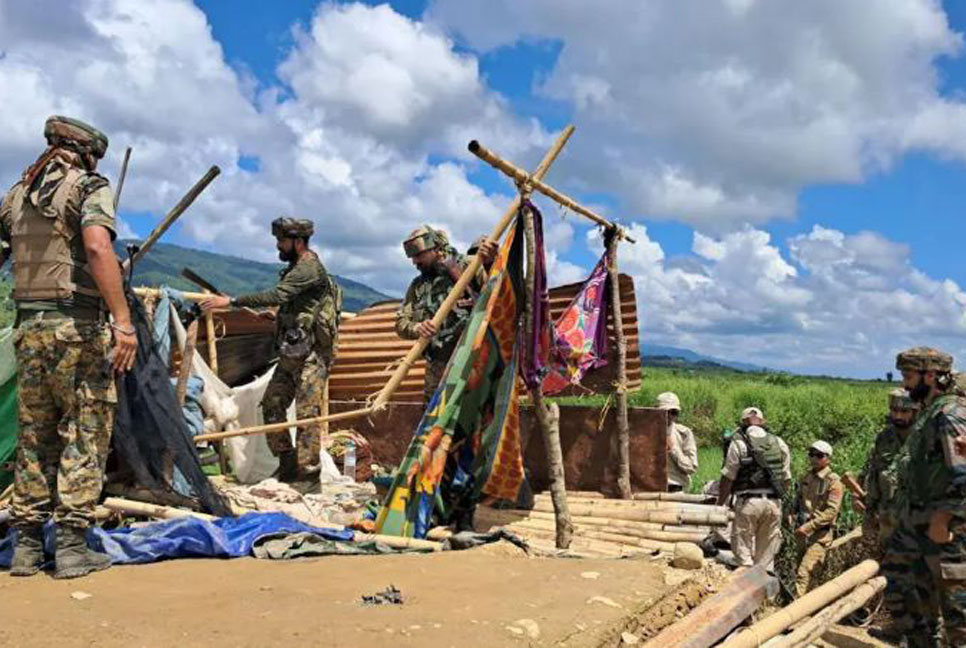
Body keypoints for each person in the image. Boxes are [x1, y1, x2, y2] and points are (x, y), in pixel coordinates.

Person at [1, 115, 137, 579]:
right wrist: (123, 323)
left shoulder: (17, 195)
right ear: (88, 153)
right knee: (84, 432)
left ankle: (25, 551)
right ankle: (73, 550)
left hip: (28, 330)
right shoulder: (88, 187)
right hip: (76, 332)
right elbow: (98, 249)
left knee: (34, 439)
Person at [201, 218, 340, 484]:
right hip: (292, 353)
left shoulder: (309, 268)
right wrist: (276, 318)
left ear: (298, 242)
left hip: (312, 355)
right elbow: (297, 308)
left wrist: (230, 301)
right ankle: (287, 466)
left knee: (307, 413)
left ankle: (308, 476)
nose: (278, 245)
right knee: (272, 405)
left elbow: (279, 295)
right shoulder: (294, 269)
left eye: (282, 240)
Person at [879, 347, 966, 648]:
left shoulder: (949, 414)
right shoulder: (929, 412)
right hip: (916, 525)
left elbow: (964, 476)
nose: (905, 384)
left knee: (957, 617)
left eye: (909, 376)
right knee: (905, 590)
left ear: (931, 376)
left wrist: (942, 520)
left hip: (945, 532)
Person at [395, 225, 495, 405]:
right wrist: (417, 327)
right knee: (434, 419)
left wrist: (489, 263)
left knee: (476, 414)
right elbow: (401, 323)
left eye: (419, 255)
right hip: (437, 368)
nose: (415, 262)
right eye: (412, 257)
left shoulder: (469, 266)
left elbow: (498, 293)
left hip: (473, 360)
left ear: (435, 249)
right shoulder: (418, 286)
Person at [717, 407, 791, 571]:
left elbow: (728, 478)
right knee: (766, 560)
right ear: (763, 422)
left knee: (743, 556)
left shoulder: (738, 443)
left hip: (748, 503)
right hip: (774, 503)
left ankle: (746, 590)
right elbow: (786, 479)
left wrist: (720, 503)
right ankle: (765, 594)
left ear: (742, 423)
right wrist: (780, 503)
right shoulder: (779, 443)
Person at [861, 389, 918, 548]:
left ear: (915, 411)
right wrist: (869, 511)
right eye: (894, 410)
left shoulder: (926, 438)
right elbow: (873, 472)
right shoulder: (884, 437)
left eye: (904, 411)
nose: (898, 416)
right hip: (888, 517)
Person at [792, 440, 843, 598]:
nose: (814, 458)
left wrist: (809, 527)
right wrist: (791, 512)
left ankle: (796, 611)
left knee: (804, 572)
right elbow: (798, 498)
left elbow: (831, 512)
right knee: (801, 570)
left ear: (828, 458)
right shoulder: (807, 477)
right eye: (811, 454)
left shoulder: (833, 481)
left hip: (819, 534)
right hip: (802, 532)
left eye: (819, 455)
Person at [655, 392, 697, 492]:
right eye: (665, 411)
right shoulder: (644, 433)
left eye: (673, 412)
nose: (669, 416)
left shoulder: (684, 434)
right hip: (649, 489)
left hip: (675, 489)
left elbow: (691, 467)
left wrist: (673, 450)